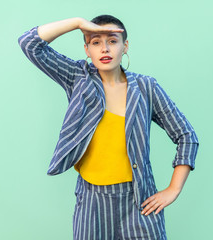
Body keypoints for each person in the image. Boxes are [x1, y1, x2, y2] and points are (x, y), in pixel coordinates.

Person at [18, 14, 199, 240]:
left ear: (125, 47)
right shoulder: (78, 78)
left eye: (112, 41)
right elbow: (29, 43)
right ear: (87, 49)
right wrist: (76, 23)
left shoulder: (145, 87)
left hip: (139, 202)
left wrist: (173, 189)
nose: (105, 49)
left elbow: (186, 136)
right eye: (95, 42)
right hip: (91, 202)